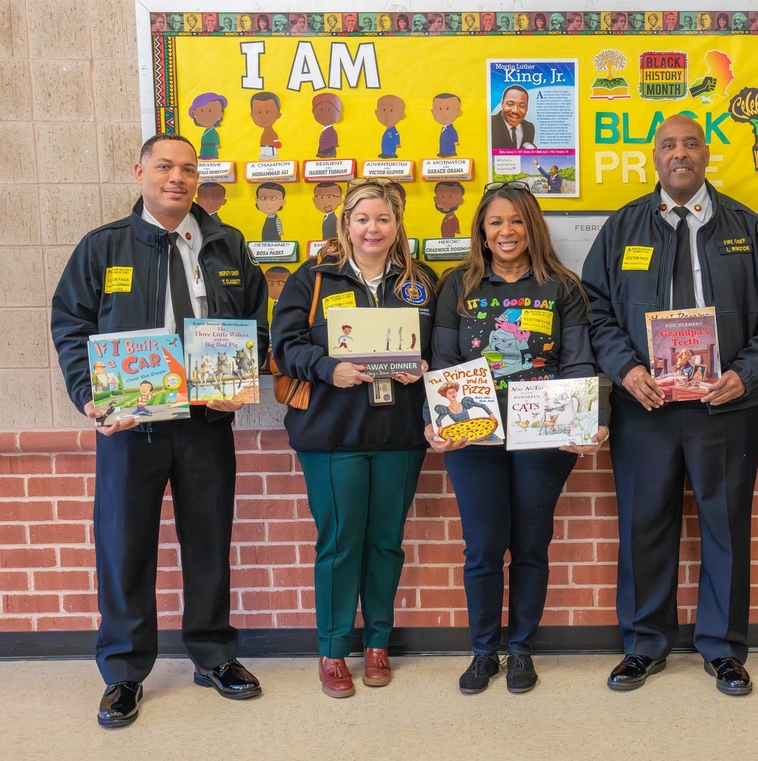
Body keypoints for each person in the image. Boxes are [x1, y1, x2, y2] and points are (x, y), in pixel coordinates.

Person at [50, 133, 268, 727]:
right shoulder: (105, 247)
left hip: (205, 427)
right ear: (140, 171)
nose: (177, 177)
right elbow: (70, 322)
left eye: (188, 169)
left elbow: (254, 319)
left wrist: (241, 381)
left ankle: (213, 656)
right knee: (123, 546)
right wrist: (89, 395)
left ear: (199, 178)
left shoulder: (227, 244)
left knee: (208, 542)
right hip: (130, 424)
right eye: (165, 166)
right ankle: (123, 673)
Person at [582, 115, 758, 696]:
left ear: (707, 154)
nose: (680, 153)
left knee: (725, 526)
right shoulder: (622, 228)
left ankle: (724, 650)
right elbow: (595, 313)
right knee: (643, 524)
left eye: (690, 143)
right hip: (645, 408)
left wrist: (745, 376)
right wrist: (626, 371)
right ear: (653, 157)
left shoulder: (749, 229)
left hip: (725, 408)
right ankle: (644, 644)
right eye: (667, 145)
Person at [426, 182, 607, 695]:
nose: (506, 232)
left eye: (517, 221)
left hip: (543, 433)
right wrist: (434, 417)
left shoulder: (563, 288)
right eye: (495, 222)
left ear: (533, 227)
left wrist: (586, 420)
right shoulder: (456, 284)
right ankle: (484, 652)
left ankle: (522, 649)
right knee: (483, 546)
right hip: (473, 432)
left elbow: (577, 361)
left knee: (531, 545)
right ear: (481, 230)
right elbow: (442, 361)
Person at [271, 179, 437, 699]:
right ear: (346, 223)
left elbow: (445, 341)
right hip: (332, 434)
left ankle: (378, 643)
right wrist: (326, 368)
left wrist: (426, 366)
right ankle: (333, 648)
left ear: (397, 224)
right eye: (363, 219)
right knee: (341, 543)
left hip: (399, 434)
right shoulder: (314, 277)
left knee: (386, 543)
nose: (373, 228)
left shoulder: (421, 281)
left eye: (383, 219)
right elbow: (283, 343)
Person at [490, 85, 536, 150]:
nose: (515, 110)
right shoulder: (489, 124)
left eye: (522, 106)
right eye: (510, 104)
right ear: (502, 104)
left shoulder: (529, 127)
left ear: (527, 108)